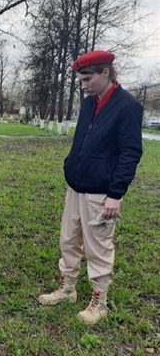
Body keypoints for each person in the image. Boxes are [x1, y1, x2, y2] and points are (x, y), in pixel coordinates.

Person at [38, 51, 143, 324]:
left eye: (87, 78)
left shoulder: (127, 106)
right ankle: (67, 288)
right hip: (76, 185)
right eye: (81, 79)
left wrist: (116, 195)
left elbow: (130, 152)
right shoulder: (88, 104)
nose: (83, 85)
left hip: (101, 192)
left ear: (105, 73)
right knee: (68, 239)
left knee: (98, 247)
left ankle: (100, 300)